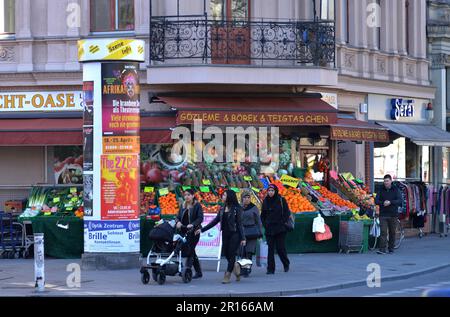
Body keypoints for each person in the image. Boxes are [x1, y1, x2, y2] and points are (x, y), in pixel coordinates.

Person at [196, 189, 246, 284]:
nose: (222, 197)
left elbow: (239, 224)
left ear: (229, 197)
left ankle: (227, 275)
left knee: (231, 254)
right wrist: (202, 230)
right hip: (225, 234)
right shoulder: (222, 209)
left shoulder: (237, 208)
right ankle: (235, 266)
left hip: (235, 234)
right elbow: (215, 221)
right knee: (226, 253)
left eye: (224, 195)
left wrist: (243, 238)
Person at [261, 184, 290, 274]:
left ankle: (286, 263)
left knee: (280, 248)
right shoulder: (265, 201)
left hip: (280, 228)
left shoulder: (281, 200)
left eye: (272, 191)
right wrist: (265, 224)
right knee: (270, 250)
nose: (270, 192)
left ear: (275, 191)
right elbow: (263, 215)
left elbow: (287, 213)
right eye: (269, 191)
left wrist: (282, 222)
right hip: (269, 228)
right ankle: (270, 269)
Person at [175, 189, 204, 279]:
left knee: (190, 250)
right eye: (185, 195)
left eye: (188, 195)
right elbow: (177, 217)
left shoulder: (197, 205)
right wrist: (178, 222)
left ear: (192, 196)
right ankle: (198, 272)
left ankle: (186, 271)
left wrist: (193, 224)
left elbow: (200, 218)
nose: (186, 197)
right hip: (184, 231)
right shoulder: (183, 205)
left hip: (194, 231)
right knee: (192, 251)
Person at [375, 174, 402, 254]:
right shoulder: (381, 189)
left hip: (393, 214)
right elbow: (376, 201)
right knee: (383, 232)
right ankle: (382, 249)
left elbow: (400, 201)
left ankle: (391, 248)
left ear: (391, 181)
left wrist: (390, 202)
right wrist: (383, 203)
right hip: (383, 214)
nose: (386, 183)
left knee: (392, 232)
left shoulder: (395, 189)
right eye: (385, 181)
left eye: (387, 181)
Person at [241, 189, 263, 275]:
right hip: (242, 232)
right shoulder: (239, 207)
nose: (247, 199)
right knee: (242, 251)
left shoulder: (254, 208)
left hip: (252, 231)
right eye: (245, 197)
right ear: (241, 198)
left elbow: (258, 221)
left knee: (249, 251)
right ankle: (243, 268)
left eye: (248, 197)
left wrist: (260, 232)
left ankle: (247, 269)